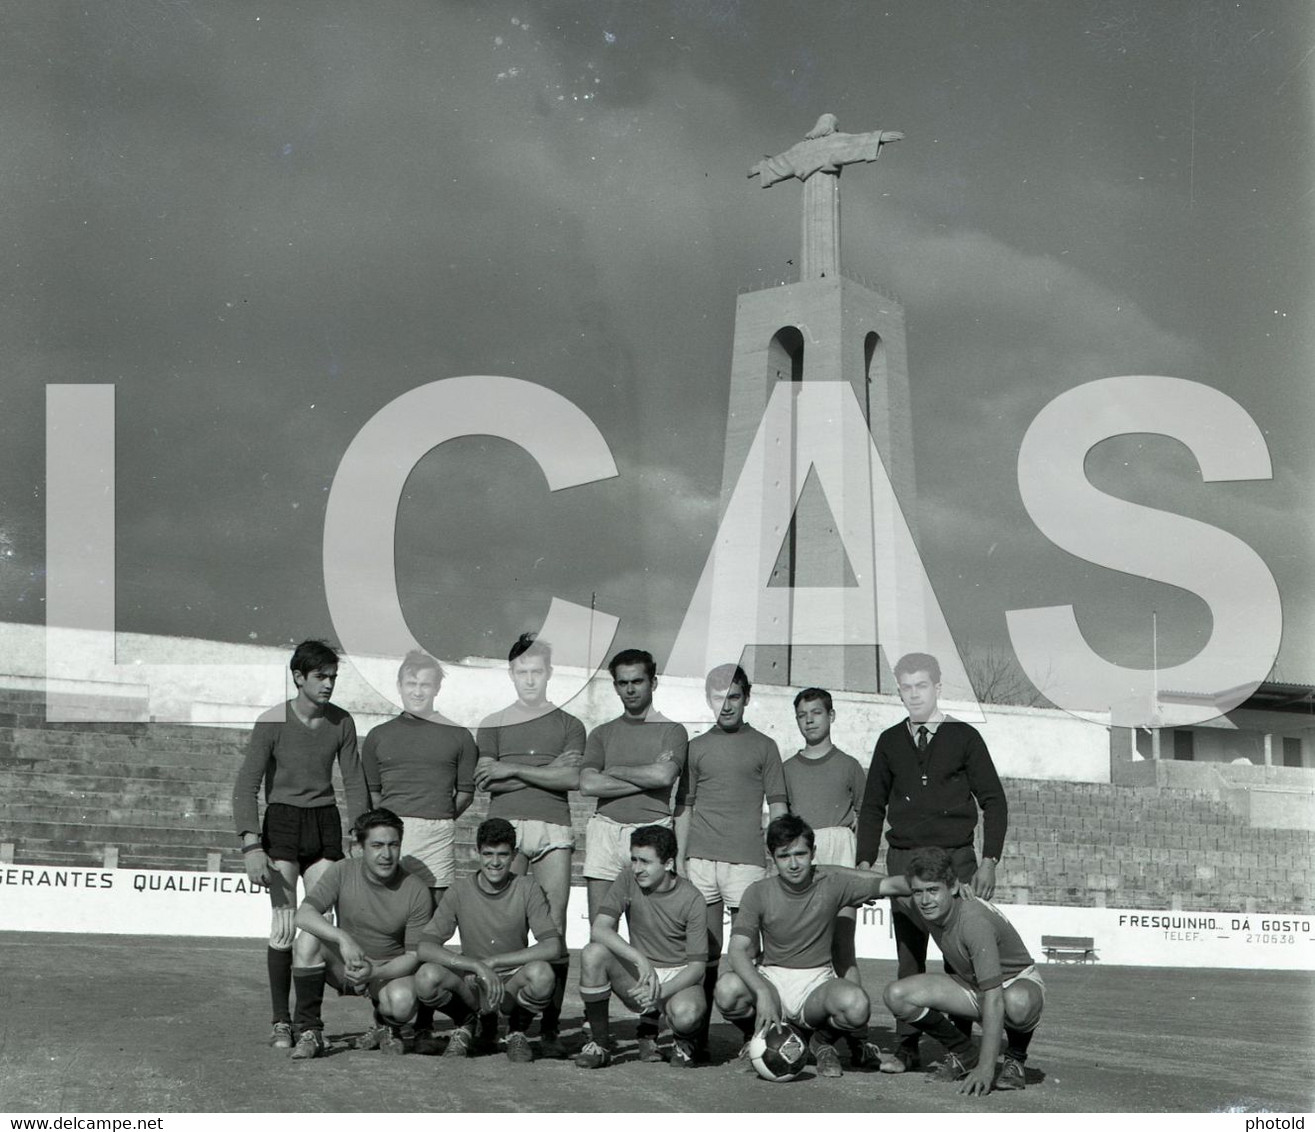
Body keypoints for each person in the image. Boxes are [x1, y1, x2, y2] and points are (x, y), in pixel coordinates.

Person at [856, 651, 1008, 1072]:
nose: (914, 695)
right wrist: (866, 863)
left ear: (938, 688)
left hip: (956, 861)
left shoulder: (963, 736)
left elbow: (994, 801)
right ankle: (906, 1047)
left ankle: (961, 1051)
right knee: (909, 956)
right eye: (906, 687)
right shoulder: (890, 741)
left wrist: (989, 860)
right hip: (904, 862)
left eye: (922, 686)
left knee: (961, 960)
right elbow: (871, 806)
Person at [232, 639, 370, 1049]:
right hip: (283, 825)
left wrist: (358, 835)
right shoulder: (272, 721)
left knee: (317, 924)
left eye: (333, 677)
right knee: (284, 924)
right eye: (320, 677)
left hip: (325, 824)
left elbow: (355, 782)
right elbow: (246, 786)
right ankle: (280, 1021)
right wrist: (252, 846)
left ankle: (308, 1022)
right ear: (298, 677)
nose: (328, 684)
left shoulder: (342, 722)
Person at [714, 815, 911, 1078]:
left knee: (857, 1005)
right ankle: (757, 1036)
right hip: (772, 978)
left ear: (813, 853)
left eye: (800, 854)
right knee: (727, 990)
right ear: (772, 857)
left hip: (816, 982)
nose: (794, 864)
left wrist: (945, 883)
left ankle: (821, 1042)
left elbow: (893, 884)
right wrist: (761, 991)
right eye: (784, 856)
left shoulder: (834, 883)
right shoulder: (758, 891)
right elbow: (737, 950)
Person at [473, 632, 585, 1056]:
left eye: (537, 671)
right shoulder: (493, 723)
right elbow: (485, 776)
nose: (530, 679)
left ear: (550, 673)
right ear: (511, 673)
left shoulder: (570, 724)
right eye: (522, 671)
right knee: (502, 924)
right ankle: (493, 1019)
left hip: (554, 826)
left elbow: (571, 778)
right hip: (506, 828)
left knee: (553, 929)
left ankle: (548, 1027)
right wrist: (542, 768)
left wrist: (511, 769)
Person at [359, 649, 476, 1050]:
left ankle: (425, 1024)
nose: (418, 690)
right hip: (396, 831)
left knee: (429, 935)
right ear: (399, 686)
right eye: (411, 683)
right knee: (389, 927)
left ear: (437, 687)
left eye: (426, 683)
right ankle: (386, 1019)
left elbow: (463, 795)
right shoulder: (378, 736)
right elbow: (374, 795)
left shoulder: (459, 736)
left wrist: (435, 818)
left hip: (438, 832)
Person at [674, 663, 789, 1056]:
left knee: (749, 954)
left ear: (746, 697)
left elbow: (778, 806)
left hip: (746, 864)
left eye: (734, 697)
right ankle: (694, 1039)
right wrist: (680, 859)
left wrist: (778, 856)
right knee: (702, 954)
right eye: (718, 697)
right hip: (701, 861)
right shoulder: (696, 747)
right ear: (708, 699)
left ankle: (754, 1036)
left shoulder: (765, 746)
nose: (726, 706)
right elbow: (684, 807)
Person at [783, 686, 890, 1069]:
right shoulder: (787, 768)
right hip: (803, 853)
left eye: (816, 712)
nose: (809, 720)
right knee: (799, 943)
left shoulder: (848, 766)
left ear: (831, 716)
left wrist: (862, 866)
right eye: (802, 715)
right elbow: (782, 825)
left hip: (839, 848)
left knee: (842, 945)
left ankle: (857, 1039)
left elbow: (868, 817)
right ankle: (795, 1033)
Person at [882, 846, 1043, 1094]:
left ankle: (1015, 1057)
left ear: (955, 887)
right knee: (897, 995)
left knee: (1017, 1003)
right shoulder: (923, 905)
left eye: (933, 890)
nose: (925, 900)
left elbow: (994, 997)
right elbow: (881, 884)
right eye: (918, 892)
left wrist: (986, 1069)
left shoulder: (972, 921)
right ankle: (964, 1051)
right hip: (974, 983)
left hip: (1013, 982)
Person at [286, 809, 433, 1059]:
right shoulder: (343, 870)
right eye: (377, 845)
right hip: (346, 965)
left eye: (393, 845)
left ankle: (386, 1025)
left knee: (402, 1003)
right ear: (361, 847)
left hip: (386, 972)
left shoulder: (417, 889)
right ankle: (310, 1030)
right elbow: (303, 915)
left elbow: (413, 955)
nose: (386, 855)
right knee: (307, 939)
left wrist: (376, 973)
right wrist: (343, 938)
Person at [414, 818, 564, 1064]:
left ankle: (516, 1030)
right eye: (488, 854)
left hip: (510, 983)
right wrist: (475, 966)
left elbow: (552, 946)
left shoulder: (527, 887)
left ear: (514, 855)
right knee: (426, 977)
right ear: (477, 852)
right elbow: (425, 947)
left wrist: (493, 962)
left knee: (542, 974)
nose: (495, 862)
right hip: (473, 982)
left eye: (503, 855)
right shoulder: (459, 890)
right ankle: (468, 1022)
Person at [574, 824, 707, 1070]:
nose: (636, 868)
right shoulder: (627, 878)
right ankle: (600, 1045)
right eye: (634, 859)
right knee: (593, 953)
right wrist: (638, 958)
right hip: (640, 974)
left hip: (677, 975)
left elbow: (698, 967)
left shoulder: (693, 899)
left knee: (687, 1015)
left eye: (645, 862)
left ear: (668, 864)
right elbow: (600, 929)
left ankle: (684, 1040)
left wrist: (661, 991)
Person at [579, 649, 687, 922]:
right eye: (623, 683)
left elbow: (664, 776)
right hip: (605, 830)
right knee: (601, 929)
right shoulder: (602, 733)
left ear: (653, 682)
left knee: (651, 930)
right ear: (615, 686)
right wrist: (647, 777)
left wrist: (615, 771)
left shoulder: (672, 730)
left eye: (637, 681)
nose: (630, 689)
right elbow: (588, 784)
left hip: (652, 831)